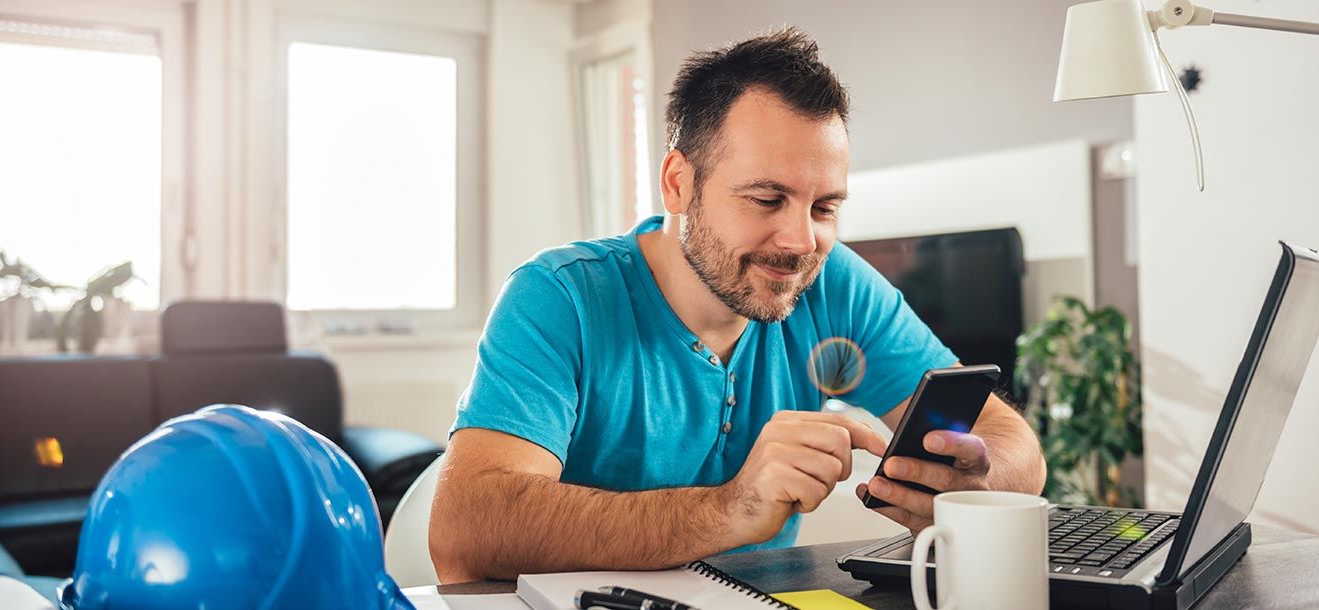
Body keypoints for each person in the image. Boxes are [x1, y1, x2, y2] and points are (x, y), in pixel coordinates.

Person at [429, 27, 1046, 583]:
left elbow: (1009, 440)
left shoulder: (832, 283)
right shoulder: (561, 296)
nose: (803, 241)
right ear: (678, 182)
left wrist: (971, 482)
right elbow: (464, 532)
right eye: (767, 198)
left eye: (824, 207)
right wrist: (735, 507)